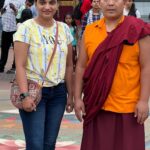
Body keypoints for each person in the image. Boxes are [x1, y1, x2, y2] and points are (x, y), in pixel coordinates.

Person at [74, 0, 150, 150]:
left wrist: (143, 101)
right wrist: (77, 98)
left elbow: (146, 67)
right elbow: (81, 66)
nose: (110, 3)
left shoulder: (138, 29)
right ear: (98, 2)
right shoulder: (89, 31)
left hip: (129, 107)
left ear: (125, 2)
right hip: (97, 105)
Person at [13, 0, 74, 149]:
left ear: (57, 5)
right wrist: (25, 95)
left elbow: (69, 65)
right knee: (35, 145)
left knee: (49, 144)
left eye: (52, 2)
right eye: (42, 2)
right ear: (35, 4)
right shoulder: (26, 28)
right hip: (34, 92)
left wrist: (70, 95)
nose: (47, 7)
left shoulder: (64, 29)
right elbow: (19, 65)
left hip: (59, 93)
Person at [0, 0, 23, 73]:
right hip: (5, 29)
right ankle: (1, 67)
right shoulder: (5, 0)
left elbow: (20, 15)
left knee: (16, 50)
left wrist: (14, 9)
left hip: (14, 30)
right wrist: (2, 10)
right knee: (4, 50)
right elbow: (1, 13)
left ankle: (14, 67)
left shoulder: (21, 1)